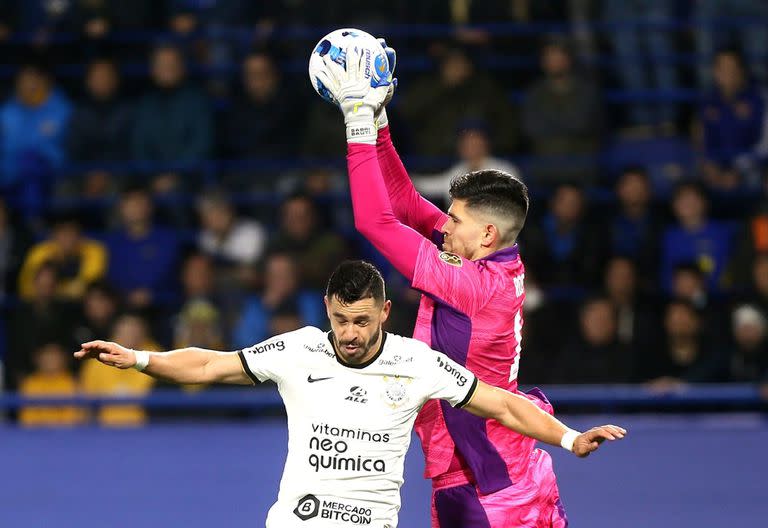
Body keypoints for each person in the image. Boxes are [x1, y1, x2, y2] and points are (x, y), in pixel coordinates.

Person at [75, 260, 626, 527]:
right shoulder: (300, 350)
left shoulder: (417, 362)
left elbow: (503, 403)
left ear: (386, 312)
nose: (350, 334)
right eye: (340, 320)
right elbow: (210, 367)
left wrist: (569, 438)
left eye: (361, 321)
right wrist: (141, 359)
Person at [316, 44, 577, 526]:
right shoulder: (488, 257)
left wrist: (355, 120)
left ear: (486, 234)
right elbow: (407, 204)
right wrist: (380, 121)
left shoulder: (472, 284)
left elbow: (375, 221)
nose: (444, 226)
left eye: (453, 219)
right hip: (507, 469)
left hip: (486, 486)